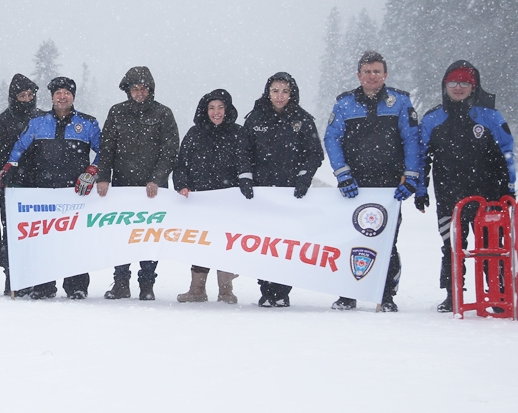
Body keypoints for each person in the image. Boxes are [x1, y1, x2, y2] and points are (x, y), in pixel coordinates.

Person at [323, 50, 421, 312]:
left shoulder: (399, 102)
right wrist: (342, 174)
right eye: (367, 71)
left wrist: (411, 176)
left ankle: (385, 295)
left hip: (390, 186)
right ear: (359, 75)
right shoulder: (344, 104)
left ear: (385, 74)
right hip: (354, 185)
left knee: (387, 240)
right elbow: (332, 139)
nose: (372, 76)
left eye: (377, 71)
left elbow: (412, 139)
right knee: (351, 239)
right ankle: (347, 294)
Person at [416, 61, 514, 313]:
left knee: (490, 246)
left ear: (474, 86)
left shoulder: (490, 116)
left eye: (464, 83)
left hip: (487, 193)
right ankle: (453, 294)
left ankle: (497, 295)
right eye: (452, 83)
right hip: (449, 193)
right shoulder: (433, 118)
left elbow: (506, 153)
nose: (458, 88)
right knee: (452, 245)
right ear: (444, 85)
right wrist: (421, 189)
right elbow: (422, 157)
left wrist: (508, 188)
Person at [5, 77, 101, 299]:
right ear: (51, 97)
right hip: (44, 192)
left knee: (74, 241)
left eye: (67, 92)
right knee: (44, 241)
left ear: (73, 97)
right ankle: (43, 285)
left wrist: (92, 171)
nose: (62, 96)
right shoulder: (38, 122)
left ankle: (76, 285)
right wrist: (10, 166)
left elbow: (104, 152)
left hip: (76, 193)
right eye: (58, 93)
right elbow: (19, 148)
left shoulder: (88, 123)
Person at [95, 66, 180, 300]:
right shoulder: (117, 113)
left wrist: (157, 179)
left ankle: (147, 285)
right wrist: (103, 178)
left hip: (153, 190)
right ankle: (121, 282)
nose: (139, 92)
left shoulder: (163, 114)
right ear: (128, 90)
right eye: (135, 88)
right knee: (122, 236)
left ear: (150, 90)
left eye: (143, 88)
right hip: (122, 187)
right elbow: (107, 147)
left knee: (149, 237)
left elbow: (170, 149)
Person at [244, 72, 325, 307]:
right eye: (275, 91)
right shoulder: (255, 118)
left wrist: (304, 177)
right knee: (265, 242)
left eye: (285, 91)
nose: (280, 96)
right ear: (267, 92)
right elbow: (244, 151)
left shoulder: (303, 119)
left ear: (293, 93)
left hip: (291, 192)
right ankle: (266, 289)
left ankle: (282, 291)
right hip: (262, 193)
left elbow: (314, 153)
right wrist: (246, 178)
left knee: (287, 242)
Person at [173, 89, 253, 303]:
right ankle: (197, 289)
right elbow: (181, 164)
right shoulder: (194, 133)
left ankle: (226, 290)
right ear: (204, 110)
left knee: (225, 243)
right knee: (201, 243)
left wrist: (245, 180)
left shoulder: (237, 132)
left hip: (229, 200)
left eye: (220, 107)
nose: (216, 112)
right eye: (211, 108)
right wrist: (181, 184)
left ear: (227, 109)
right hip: (200, 199)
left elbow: (245, 160)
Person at [0, 74, 47, 295]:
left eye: (31, 95)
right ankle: (13, 282)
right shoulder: (1, 122)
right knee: (13, 236)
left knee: (40, 234)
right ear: (14, 97)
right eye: (22, 95)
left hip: (40, 185)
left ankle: (41, 282)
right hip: (12, 187)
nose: (27, 99)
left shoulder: (43, 118)